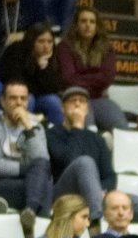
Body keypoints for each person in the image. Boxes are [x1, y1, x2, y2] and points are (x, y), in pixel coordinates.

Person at [45, 86, 124, 222]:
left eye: (82, 101)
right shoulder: (51, 135)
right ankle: (96, 221)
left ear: (87, 109)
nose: (77, 104)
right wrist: (77, 127)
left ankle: (98, 212)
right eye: (72, 101)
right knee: (84, 162)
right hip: (63, 194)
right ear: (62, 108)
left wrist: (101, 190)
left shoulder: (97, 139)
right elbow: (68, 161)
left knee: (137, 205)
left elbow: (110, 176)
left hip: (93, 194)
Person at [0, 80, 51, 220]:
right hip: (2, 185)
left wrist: (28, 128)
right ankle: (35, 221)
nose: (19, 103)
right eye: (13, 98)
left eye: (23, 98)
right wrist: (26, 169)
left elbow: (42, 159)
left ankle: (30, 212)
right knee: (45, 187)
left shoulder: (36, 127)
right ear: (3, 101)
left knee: (42, 183)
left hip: (31, 182)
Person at [56, 4, 126, 132]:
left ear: (97, 26)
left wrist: (81, 77)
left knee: (120, 125)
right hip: (75, 97)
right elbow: (69, 78)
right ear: (76, 25)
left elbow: (107, 77)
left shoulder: (107, 48)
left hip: (98, 99)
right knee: (88, 127)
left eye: (92, 22)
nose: (88, 25)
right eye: (83, 21)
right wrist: (95, 78)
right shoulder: (64, 47)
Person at [0, 22, 65, 126]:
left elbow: (54, 88)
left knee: (53, 101)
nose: (46, 46)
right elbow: (17, 82)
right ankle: (21, 131)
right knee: (28, 98)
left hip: (38, 97)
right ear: (31, 41)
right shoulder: (17, 50)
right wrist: (37, 67)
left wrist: (43, 69)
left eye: (49, 42)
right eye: (41, 41)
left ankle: (58, 134)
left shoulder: (52, 57)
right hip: (12, 94)